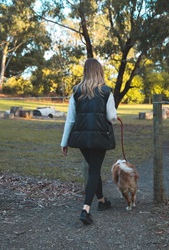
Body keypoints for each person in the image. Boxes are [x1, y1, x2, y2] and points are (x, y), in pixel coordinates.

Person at [60, 58, 117, 225]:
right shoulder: (106, 91)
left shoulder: (76, 92)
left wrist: (64, 142)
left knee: (94, 169)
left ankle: (101, 200)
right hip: (99, 138)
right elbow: (111, 117)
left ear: (85, 71)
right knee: (94, 171)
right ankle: (85, 209)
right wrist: (115, 117)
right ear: (99, 71)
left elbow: (70, 119)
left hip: (82, 139)